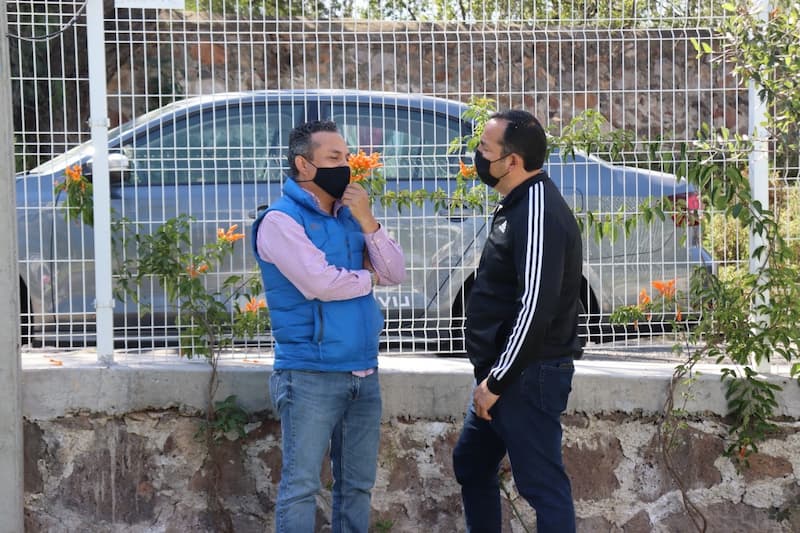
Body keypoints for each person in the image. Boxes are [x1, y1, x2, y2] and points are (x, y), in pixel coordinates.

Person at [252, 119, 406, 532]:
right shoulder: (280, 222)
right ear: (304, 165)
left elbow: (395, 271)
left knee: (357, 486)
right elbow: (320, 284)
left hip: (362, 370)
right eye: (334, 158)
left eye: (347, 157)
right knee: (302, 486)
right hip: (309, 374)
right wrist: (367, 278)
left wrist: (368, 219)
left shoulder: (349, 216)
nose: (346, 167)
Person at [452, 110, 583, 533]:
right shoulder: (518, 203)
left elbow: (536, 305)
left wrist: (496, 382)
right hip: (504, 374)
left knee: (542, 486)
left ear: (511, 161)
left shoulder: (538, 209)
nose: (477, 155)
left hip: (526, 376)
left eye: (485, 149)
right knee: (471, 464)